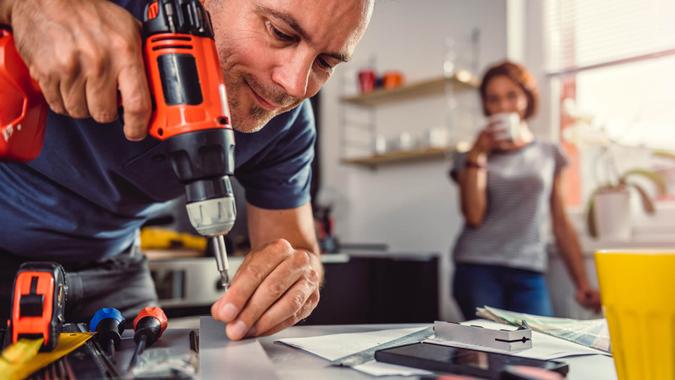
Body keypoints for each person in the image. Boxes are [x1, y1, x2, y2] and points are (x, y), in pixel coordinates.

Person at [0, 0, 373, 341]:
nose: (293, 83)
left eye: (325, 62)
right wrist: (27, 6)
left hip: (114, 263)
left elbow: (295, 246)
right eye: (281, 33)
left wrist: (298, 277)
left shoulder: (287, 125)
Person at [449, 61, 601, 319]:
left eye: (512, 96)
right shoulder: (469, 156)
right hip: (477, 267)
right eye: (493, 99)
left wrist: (582, 284)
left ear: (527, 99)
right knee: (486, 355)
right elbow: (473, 216)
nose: (503, 106)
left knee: (539, 350)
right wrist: (478, 154)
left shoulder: (549, 154)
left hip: (528, 269)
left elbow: (561, 223)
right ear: (485, 104)